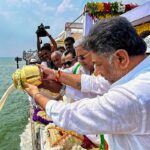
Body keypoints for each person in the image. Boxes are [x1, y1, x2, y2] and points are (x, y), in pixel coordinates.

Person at [25, 17, 150, 150]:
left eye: (99, 65)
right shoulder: (137, 73)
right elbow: (95, 83)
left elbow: (72, 114)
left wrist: (36, 95)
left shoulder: (136, 94)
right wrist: (55, 74)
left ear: (121, 58)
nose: (98, 72)